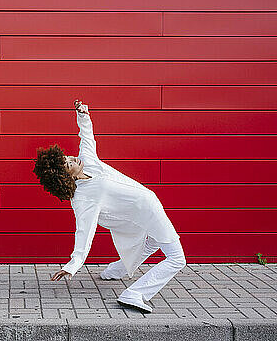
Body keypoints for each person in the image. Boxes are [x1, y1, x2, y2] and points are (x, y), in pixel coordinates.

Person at [32, 99, 186, 313]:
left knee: (152, 243)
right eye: (69, 163)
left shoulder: (89, 162)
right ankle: (135, 294)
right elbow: (83, 231)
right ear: (65, 177)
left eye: (67, 157)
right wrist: (73, 265)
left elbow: (86, 138)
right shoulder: (83, 198)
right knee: (178, 259)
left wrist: (83, 115)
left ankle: (114, 271)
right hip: (147, 213)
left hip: (147, 208)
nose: (73, 158)